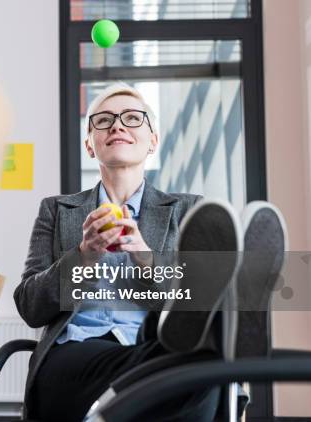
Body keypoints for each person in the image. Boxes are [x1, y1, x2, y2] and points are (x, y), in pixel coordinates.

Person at [14, 82, 286, 421]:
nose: (117, 125)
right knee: (198, 370)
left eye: (132, 118)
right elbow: (29, 306)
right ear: (89, 145)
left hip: (154, 344)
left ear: (153, 140)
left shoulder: (190, 211)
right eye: (103, 121)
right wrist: (83, 255)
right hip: (75, 356)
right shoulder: (57, 210)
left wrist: (145, 256)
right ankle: (223, 330)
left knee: (186, 365)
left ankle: (211, 328)